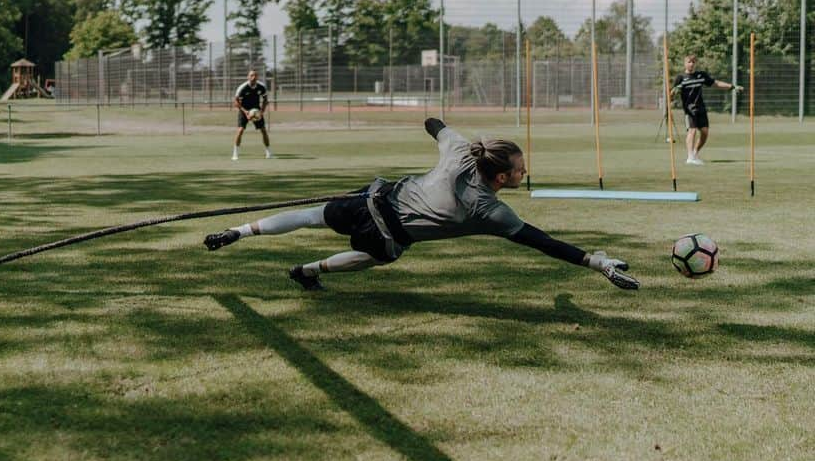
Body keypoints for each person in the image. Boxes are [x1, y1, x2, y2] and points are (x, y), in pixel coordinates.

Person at [204, 118, 639, 292]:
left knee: (308, 217)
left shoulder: (460, 152)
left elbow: (434, 123)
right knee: (374, 258)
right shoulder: (492, 212)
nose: (525, 175)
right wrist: (594, 262)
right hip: (388, 235)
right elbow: (542, 242)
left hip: (372, 198)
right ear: (502, 177)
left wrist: (448, 132)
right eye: (521, 170)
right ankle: (308, 271)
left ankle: (239, 232)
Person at [671, 54, 741, 165]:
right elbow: (671, 94)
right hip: (689, 110)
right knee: (692, 130)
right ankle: (689, 157)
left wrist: (732, 87)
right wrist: (675, 91)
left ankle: (694, 153)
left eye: (693, 62)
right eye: (689, 62)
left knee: (704, 132)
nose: (691, 64)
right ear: (685, 63)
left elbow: (716, 83)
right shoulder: (681, 78)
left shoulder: (701, 75)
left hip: (701, 108)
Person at [232, 69, 272, 161]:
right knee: (240, 130)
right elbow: (236, 102)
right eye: (251, 75)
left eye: (255, 75)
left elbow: (265, 100)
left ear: (257, 77)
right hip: (244, 110)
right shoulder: (242, 88)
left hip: (256, 111)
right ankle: (235, 153)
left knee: (263, 130)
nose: (253, 77)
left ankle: (269, 153)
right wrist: (245, 112)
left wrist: (261, 112)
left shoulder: (261, 87)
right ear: (248, 77)